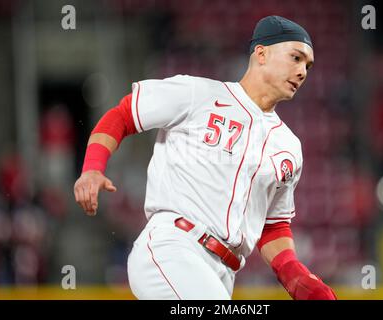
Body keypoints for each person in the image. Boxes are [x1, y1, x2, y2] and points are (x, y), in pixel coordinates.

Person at [74, 15, 337, 300]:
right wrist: (92, 168)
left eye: (308, 65)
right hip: (173, 247)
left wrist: (293, 274)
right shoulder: (198, 94)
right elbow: (123, 115)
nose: (302, 71)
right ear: (261, 53)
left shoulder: (288, 146)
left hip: (224, 272)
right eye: (295, 58)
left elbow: (273, 224)